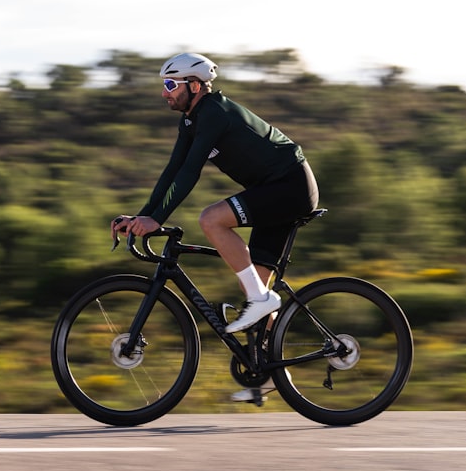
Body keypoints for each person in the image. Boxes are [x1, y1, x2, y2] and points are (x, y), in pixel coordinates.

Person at [111, 52, 320, 402]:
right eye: (163, 86)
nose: (164, 93)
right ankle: (268, 375)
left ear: (194, 86)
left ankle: (261, 300)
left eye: (170, 86)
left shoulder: (213, 113)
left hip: (290, 186)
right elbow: (171, 173)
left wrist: (156, 219)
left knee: (211, 219)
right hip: (274, 191)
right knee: (254, 282)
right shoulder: (192, 120)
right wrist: (143, 215)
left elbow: (191, 173)